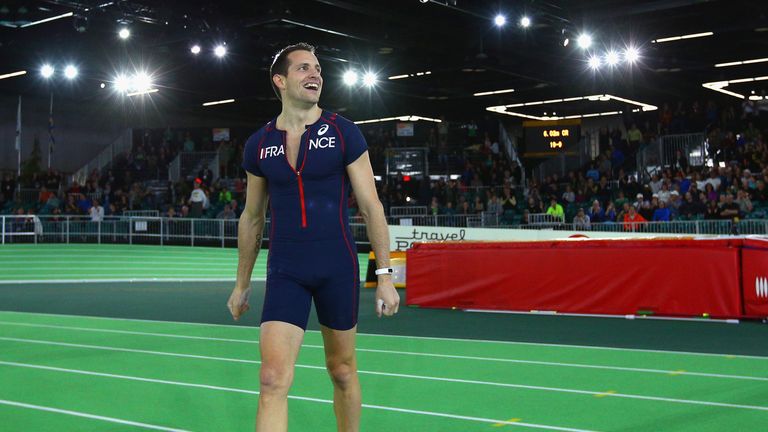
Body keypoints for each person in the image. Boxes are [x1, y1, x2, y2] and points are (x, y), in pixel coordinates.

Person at [226, 43, 399, 432]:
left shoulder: (344, 132)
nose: (315, 74)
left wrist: (385, 275)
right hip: (287, 270)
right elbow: (252, 218)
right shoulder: (259, 144)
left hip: (336, 267)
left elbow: (372, 208)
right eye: (304, 68)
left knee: (341, 370)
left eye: (318, 68)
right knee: (271, 378)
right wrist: (241, 284)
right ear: (280, 80)